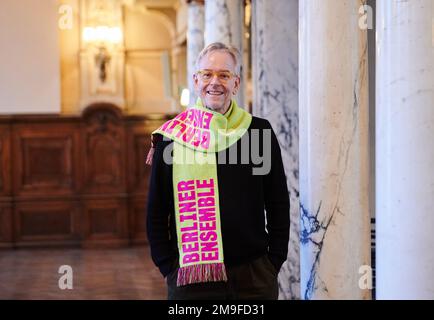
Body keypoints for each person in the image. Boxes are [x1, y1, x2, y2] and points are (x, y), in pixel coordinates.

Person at [146, 42, 289, 300]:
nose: (215, 82)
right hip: (192, 276)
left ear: (236, 83)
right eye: (207, 74)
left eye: (224, 75)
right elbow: (157, 209)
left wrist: (273, 262)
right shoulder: (172, 137)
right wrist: (167, 266)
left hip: (254, 275)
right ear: (196, 81)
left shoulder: (258, 132)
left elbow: (278, 201)